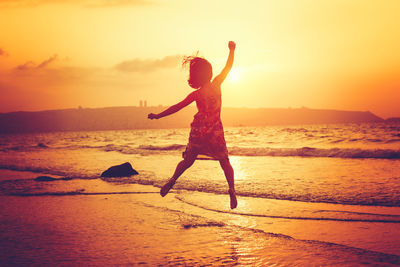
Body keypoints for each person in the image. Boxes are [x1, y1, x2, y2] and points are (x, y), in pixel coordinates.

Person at [148, 41, 237, 209]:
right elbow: (228, 67)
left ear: (195, 76)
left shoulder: (196, 94)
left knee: (188, 161)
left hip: (199, 132)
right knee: (225, 162)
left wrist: (158, 116)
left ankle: (172, 180)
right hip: (215, 132)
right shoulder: (217, 84)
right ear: (209, 73)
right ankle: (232, 189)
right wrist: (232, 50)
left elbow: (177, 107)